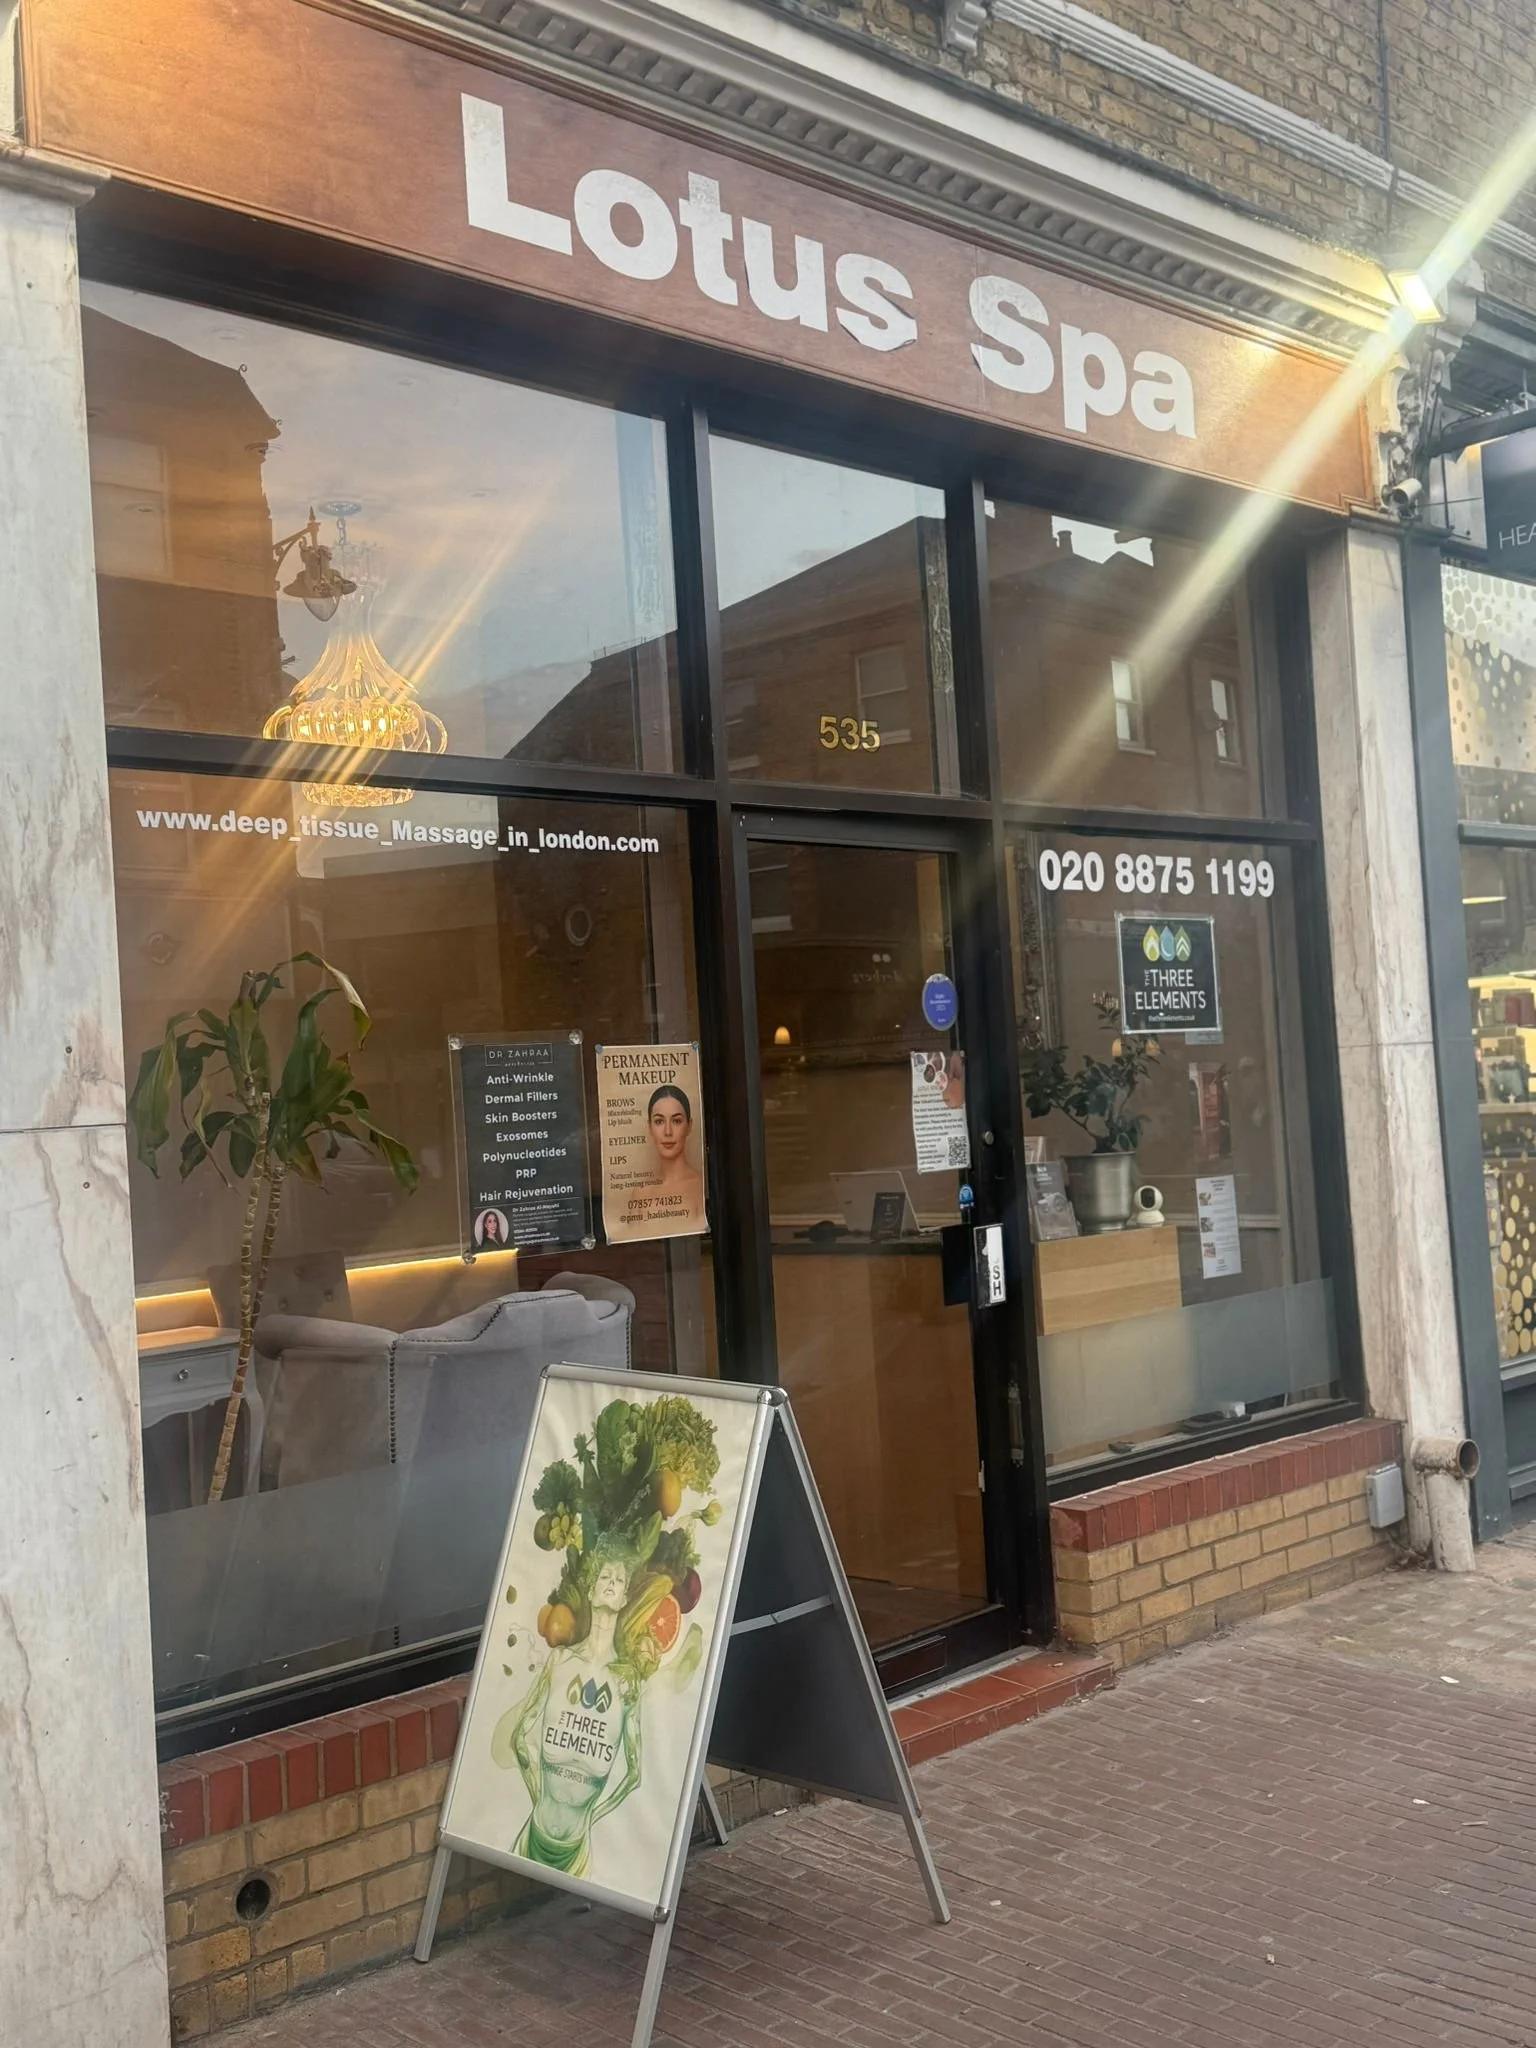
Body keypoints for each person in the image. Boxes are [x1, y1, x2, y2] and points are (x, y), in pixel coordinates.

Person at [490, 1553, 641, 1877]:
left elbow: (634, 1774)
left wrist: (591, 1817)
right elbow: (519, 1738)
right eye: (605, 1577)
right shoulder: (560, 1660)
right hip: (532, 1833)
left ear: (626, 1598)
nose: (611, 1583)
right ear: (591, 1591)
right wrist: (538, 1796)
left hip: (578, 1850)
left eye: (619, 1580)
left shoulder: (626, 1679)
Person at [626, 1083, 704, 1230]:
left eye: (676, 1121)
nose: (668, 1131)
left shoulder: (701, 1186)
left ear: (689, 1126)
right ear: (650, 1127)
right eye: (659, 1121)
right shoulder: (640, 1193)